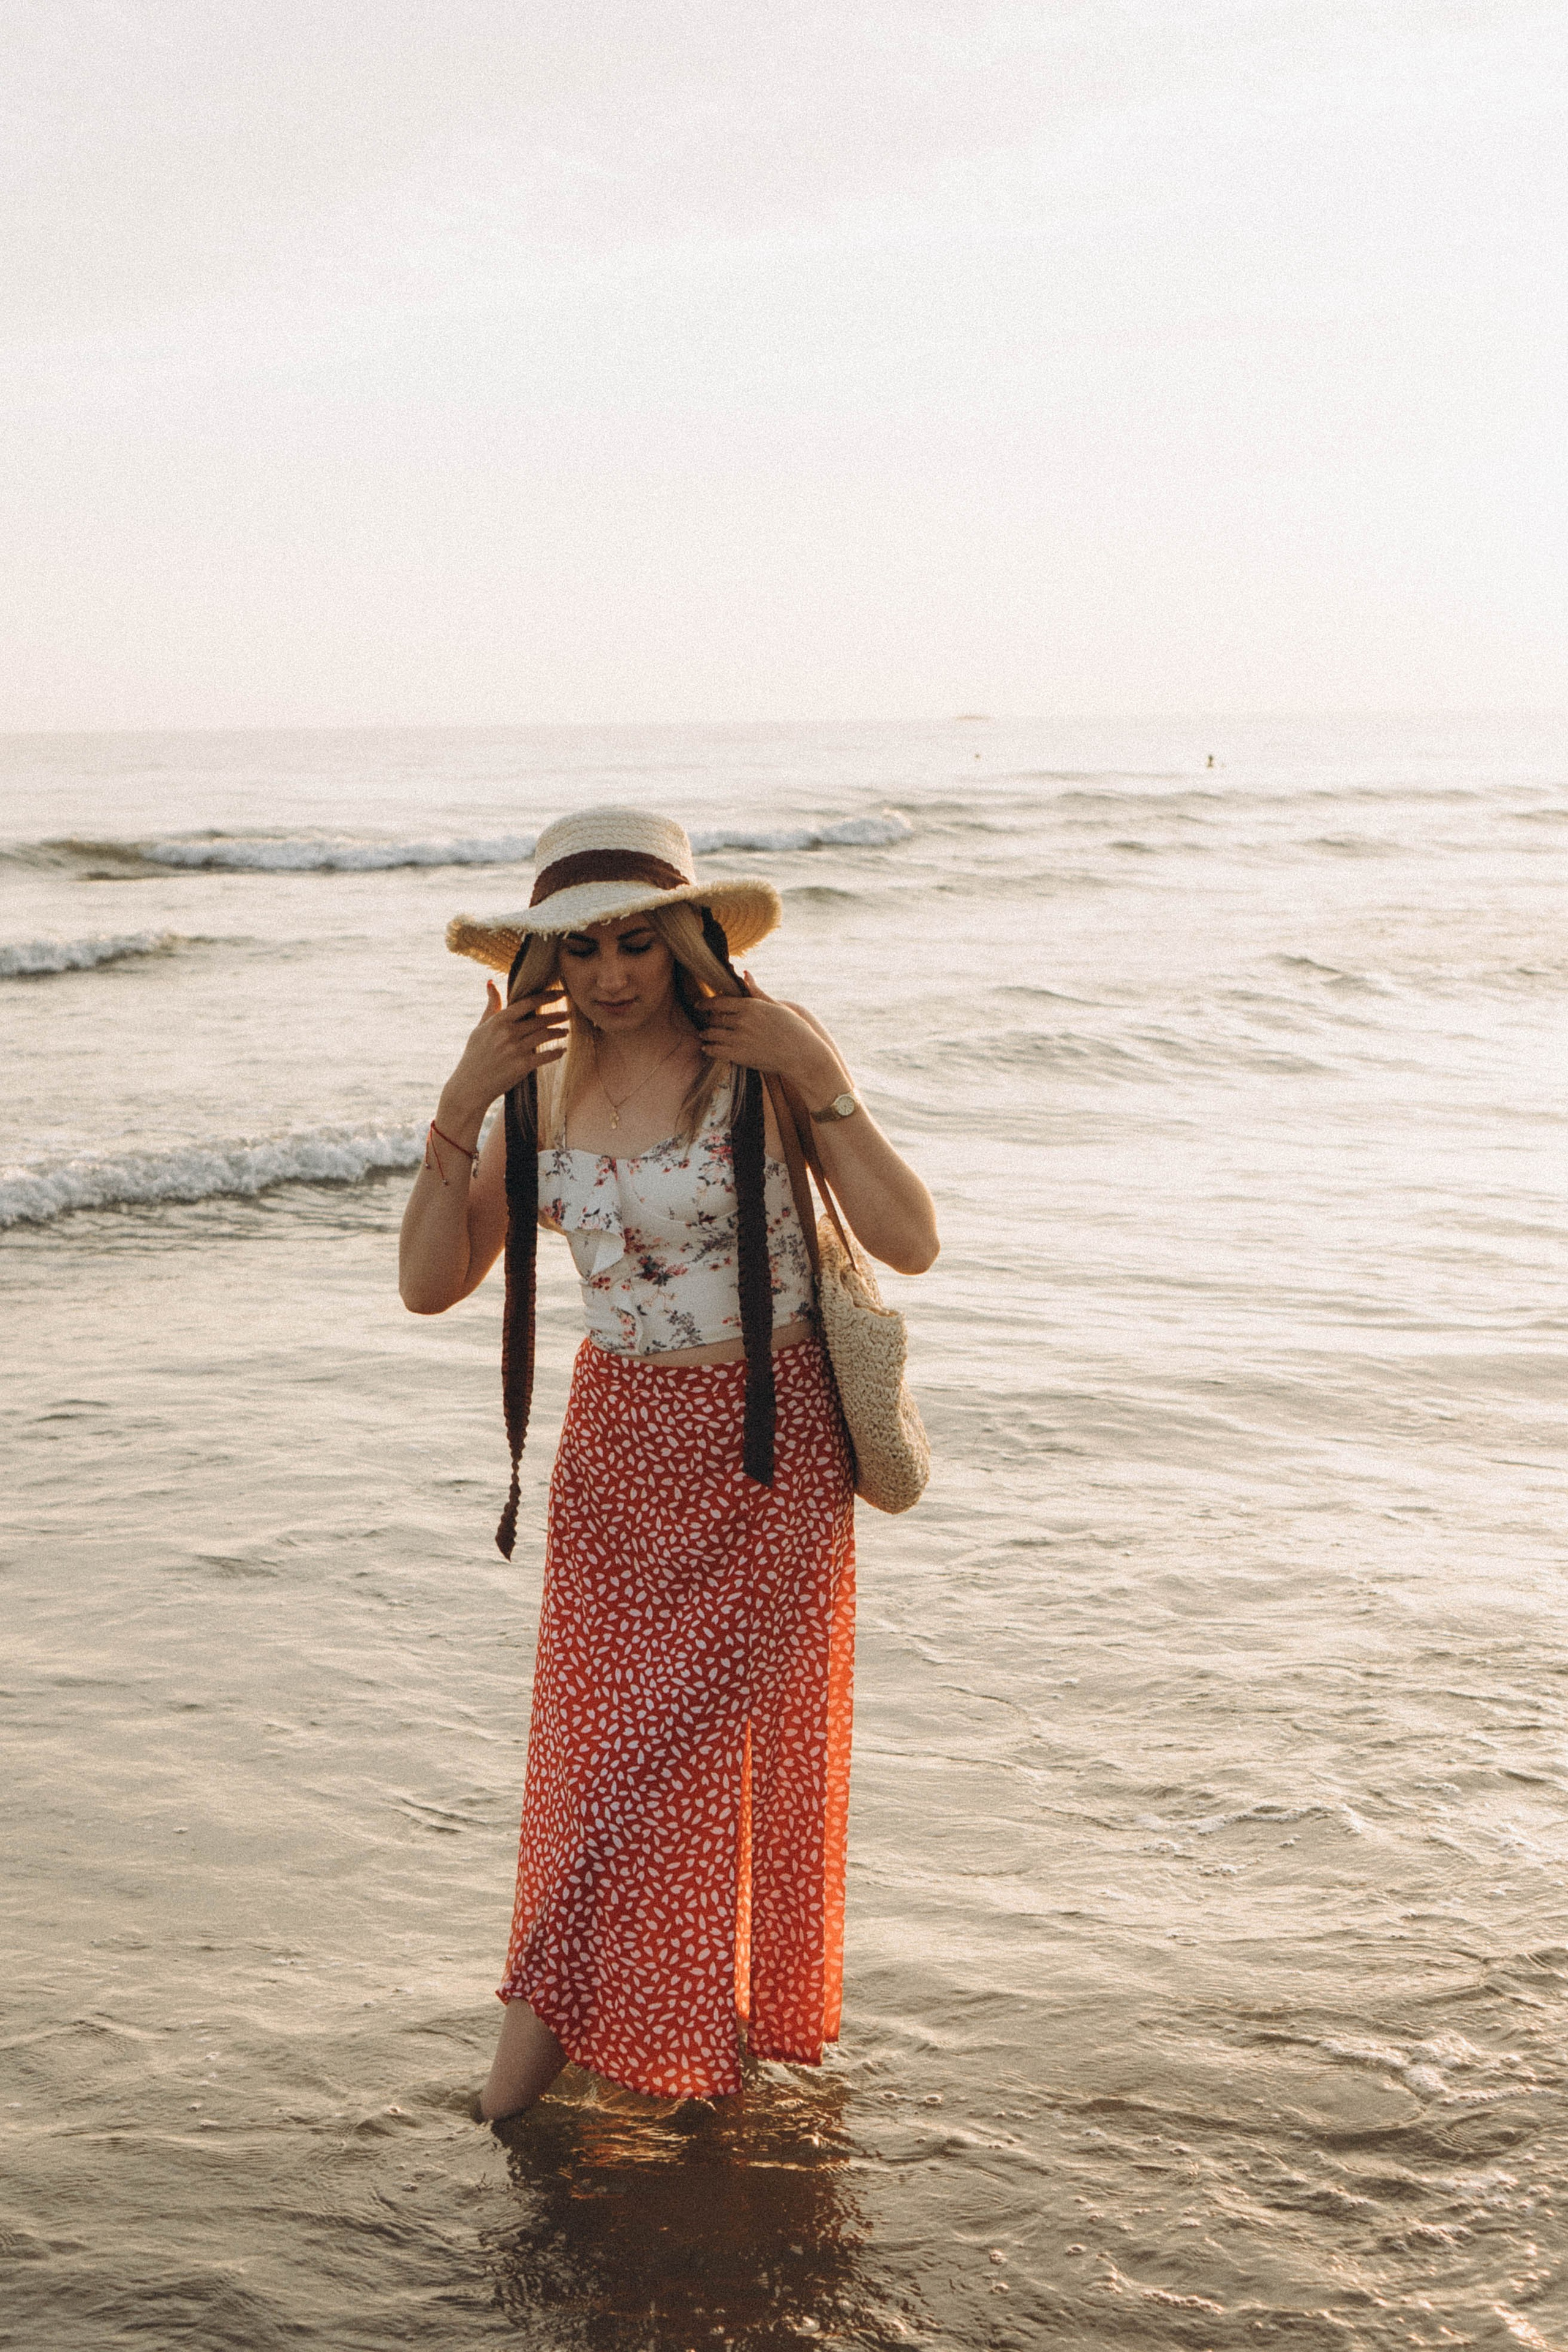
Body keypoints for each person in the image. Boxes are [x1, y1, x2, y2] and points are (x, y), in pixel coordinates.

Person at [399, 808, 939, 2119]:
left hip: (768, 1445)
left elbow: (908, 1240)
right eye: (580, 953)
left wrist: (824, 1077)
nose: (611, 975)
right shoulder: (532, 1095)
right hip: (616, 1456)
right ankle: (674, 2071)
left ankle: (532, 2095)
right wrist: (461, 1101)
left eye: (634, 942)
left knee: (677, 1773)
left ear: (687, 937)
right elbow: (427, 1285)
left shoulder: (756, 1060)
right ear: (544, 967)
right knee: (604, 1773)